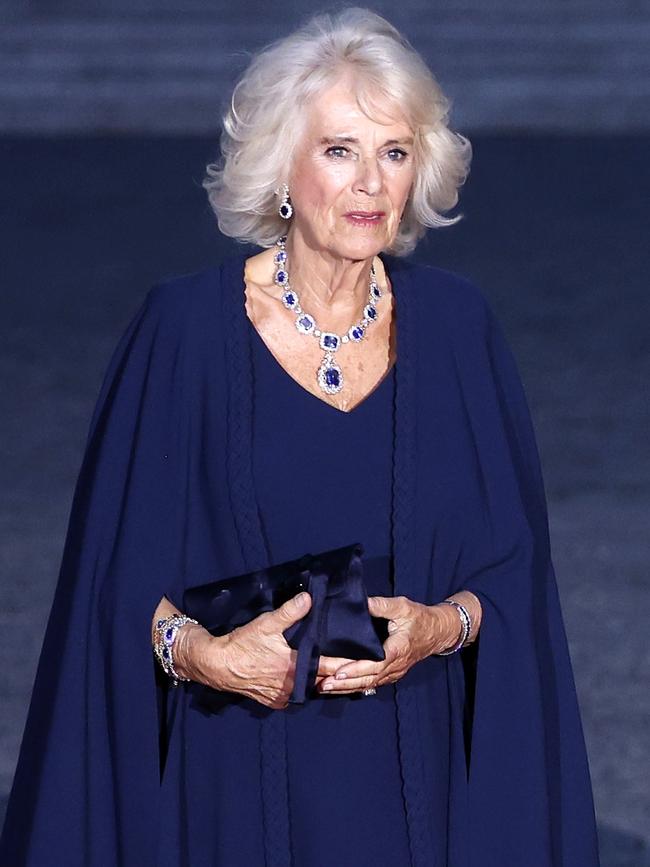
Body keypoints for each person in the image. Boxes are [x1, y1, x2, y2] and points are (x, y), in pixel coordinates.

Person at [0, 8, 601, 867]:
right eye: (339, 150)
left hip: (413, 785)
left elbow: (514, 577)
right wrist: (205, 654)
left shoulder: (461, 329)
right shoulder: (183, 333)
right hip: (232, 780)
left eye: (394, 153)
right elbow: (109, 583)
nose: (371, 184)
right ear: (282, 166)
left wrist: (440, 628)